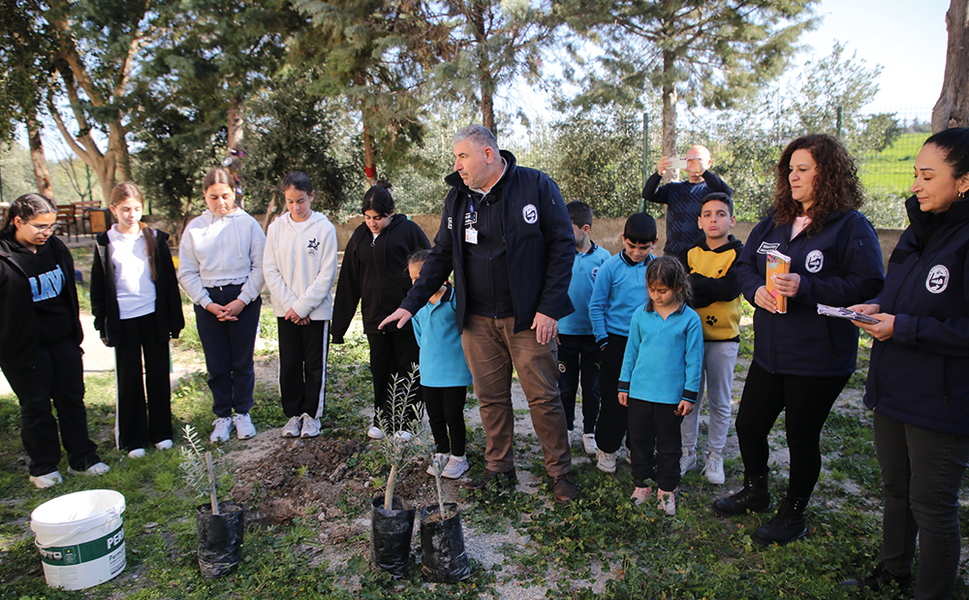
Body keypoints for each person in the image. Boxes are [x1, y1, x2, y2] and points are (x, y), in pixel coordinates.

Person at [380, 124, 578, 504]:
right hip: (478, 320)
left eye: (462, 156)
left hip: (529, 319)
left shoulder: (535, 186)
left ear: (488, 154)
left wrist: (549, 308)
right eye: (455, 158)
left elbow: (562, 246)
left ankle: (560, 473)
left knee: (543, 398)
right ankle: (499, 467)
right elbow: (440, 255)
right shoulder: (457, 198)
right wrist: (410, 304)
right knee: (490, 398)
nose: (457, 165)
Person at [712, 134, 884, 545]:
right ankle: (756, 491)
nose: (793, 176)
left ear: (829, 174)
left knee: (800, 438)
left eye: (803, 169)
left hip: (818, 356)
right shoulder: (776, 219)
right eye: (790, 169)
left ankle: (794, 514)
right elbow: (744, 266)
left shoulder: (850, 226)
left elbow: (869, 283)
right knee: (749, 425)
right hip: (771, 353)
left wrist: (807, 287)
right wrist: (755, 290)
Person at [841, 128, 969, 599]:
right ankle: (894, 569)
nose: (915, 185)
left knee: (932, 506)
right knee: (896, 489)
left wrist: (905, 328)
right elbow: (902, 294)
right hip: (893, 386)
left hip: (941, 400)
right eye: (915, 173)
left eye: (928, 176)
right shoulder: (919, 231)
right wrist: (878, 307)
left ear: (965, 181)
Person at [0, 194, 109, 488]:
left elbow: (67, 293)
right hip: (23, 348)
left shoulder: (56, 247)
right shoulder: (3, 256)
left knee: (72, 399)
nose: (46, 232)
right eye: (40, 226)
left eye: (51, 226)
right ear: (18, 221)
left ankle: (82, 459)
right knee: (36, 405)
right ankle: (44, 467)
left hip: (62, 340)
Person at [91, 182, 184, 458]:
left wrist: (174, 320)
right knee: (129, 378)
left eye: (136, 209)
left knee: (158, 375)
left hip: (153, 318)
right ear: (113, 210)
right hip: (124, 320)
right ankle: (133, 439)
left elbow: (169, 283)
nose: (131, 215)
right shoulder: (105, 243)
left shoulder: (154, 238)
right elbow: (98, 287)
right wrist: (101, 322)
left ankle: (161, 432)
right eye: (125, 209)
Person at [332, 185, 429, 440]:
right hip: (375, 319)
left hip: (406, 317)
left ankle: (408, 422)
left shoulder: (409, 231)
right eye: (367, 217)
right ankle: (383, 419)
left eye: (378, 217)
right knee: (381, 369)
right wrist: (339, 327)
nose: (372, 223)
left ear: (391, 213)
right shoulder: (359, 237)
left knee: (408, 367)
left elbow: (429, 269)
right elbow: (349, 281)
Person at [178, 167, 266, 443]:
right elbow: (187, 272)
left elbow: (261, 266)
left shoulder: (249, 224)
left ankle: (242, 413)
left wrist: (243, 299)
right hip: (209, 302)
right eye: (213, 197)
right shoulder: (195, 228)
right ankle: (222, 416)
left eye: (225, 196)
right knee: (216, 362)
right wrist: (206, 303)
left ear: (234, 193)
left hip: (243, 298)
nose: (220, 202)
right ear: (205, 196)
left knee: (242, 361)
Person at [619, 257, 702, 516]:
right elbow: (631, 351)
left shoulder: (690, 319)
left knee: (669, 445)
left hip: (671, 396)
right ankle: (642, 484)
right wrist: (624, 385)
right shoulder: (640, 315)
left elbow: (694, 360)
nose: (656, 295)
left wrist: (689, 395)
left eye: (662, 290)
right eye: (652, 289)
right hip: (640, 393)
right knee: (639, 442)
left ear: (678, 287)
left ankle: (667, 489)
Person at [263, 172, 338, 439]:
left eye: (301, 201)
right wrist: (292, 307)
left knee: (314, 365)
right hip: (286, 312)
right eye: (290, 201)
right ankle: (294, 414)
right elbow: (270, 269)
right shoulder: (275, 229)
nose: (296, 207)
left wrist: (304, 307)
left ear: (312, 196)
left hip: (316, 312)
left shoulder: (324, 228)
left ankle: (312, 415)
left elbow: (327, 273)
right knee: (290, 363)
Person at [677, 192, 743, 484]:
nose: (714, 220)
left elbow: (730, 289)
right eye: (707, 215)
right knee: (688, 397)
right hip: (690, 339)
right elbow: (683, 292)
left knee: (720, 400)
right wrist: (710, 287)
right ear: (699, 221)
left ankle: (715, 455)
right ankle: (687, 451)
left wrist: (698, 283)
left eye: (720, 214)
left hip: (724, 339)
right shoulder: (688, 253)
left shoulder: (740, 253)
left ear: (732, 220)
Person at [588, 212, 657, 474]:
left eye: (644, 248)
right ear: (623, 239)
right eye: (631, 246)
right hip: (616, 342)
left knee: (643, 399)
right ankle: (607, 448)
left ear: (655, 243)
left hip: (648, 343)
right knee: (613, 398)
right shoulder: (610, 267)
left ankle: (636, 447)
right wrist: (604, 341)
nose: (637, 252)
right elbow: (596, 306)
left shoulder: (657, 268)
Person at [407, 249, 472, 479]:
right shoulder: (416, 306)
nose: (418, 282)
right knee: (434, 416)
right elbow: (420, 336)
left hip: (455, 371)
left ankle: (459, 457)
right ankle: (442, 452)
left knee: (453, 415)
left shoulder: (456, 300)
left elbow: (465, 332)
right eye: (413, 278)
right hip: (429, 371)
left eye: (422, 276)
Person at [557, 201, 611, 456]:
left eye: (568, 228)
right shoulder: (559, 255)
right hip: (564, 334)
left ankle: (589, 431)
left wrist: (604, 330)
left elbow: (609, 297)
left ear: (585, 229)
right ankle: (567, 428)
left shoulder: (604, 259)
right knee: (565, 386)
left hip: (593, 336)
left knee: (591, 387)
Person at [642, 145, 733, 257]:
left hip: (702, 255)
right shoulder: (674, 189)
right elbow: (648, 194)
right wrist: (659, 173)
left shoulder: (712, 191)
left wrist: (703, 172)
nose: (693, 164)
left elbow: (727, 193)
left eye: (698, 160)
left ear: (708, 163)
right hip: (673, 254)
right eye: (689, 160)